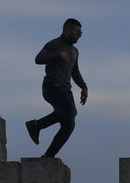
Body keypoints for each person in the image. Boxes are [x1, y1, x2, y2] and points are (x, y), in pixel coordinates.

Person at [26, 18, 89, 158]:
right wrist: (57, 55)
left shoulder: (75, 51)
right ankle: (35, 126)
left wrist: (84, 87)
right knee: (70, 111)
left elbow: (75, 72)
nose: (80, 34)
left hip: (66, 90)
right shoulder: (54, 44)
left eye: (81, 32)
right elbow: (38, 58)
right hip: (52, 86)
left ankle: (48, 156)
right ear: (68, 30)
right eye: (77, 31)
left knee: (69, 125)